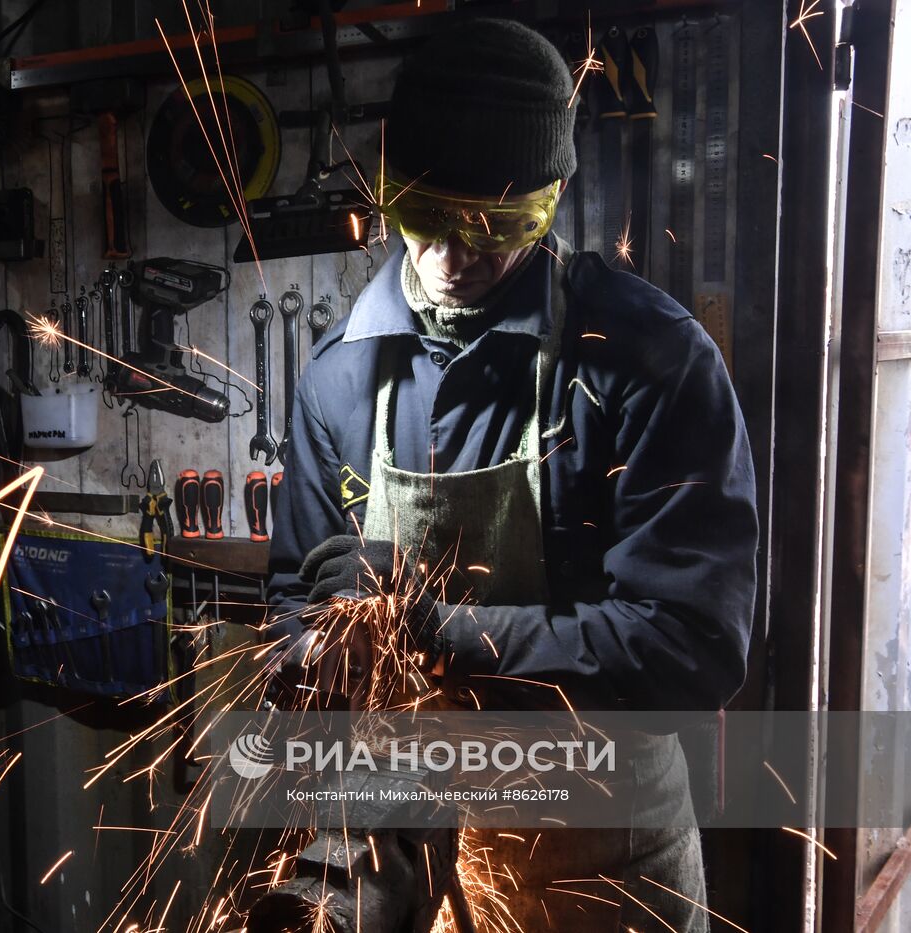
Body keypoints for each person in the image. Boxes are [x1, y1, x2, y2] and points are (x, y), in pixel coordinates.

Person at [265, 17, 758, 932]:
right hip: (412, 841)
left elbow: (694, 646)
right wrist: (325, 638)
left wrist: (445, 630)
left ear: (553, 196)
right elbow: (287, 621)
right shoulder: (339, 375)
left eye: (496, 225)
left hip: (603, 866)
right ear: (388, 189)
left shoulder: (649, 362)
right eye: (425, 214)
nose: (454, 255)